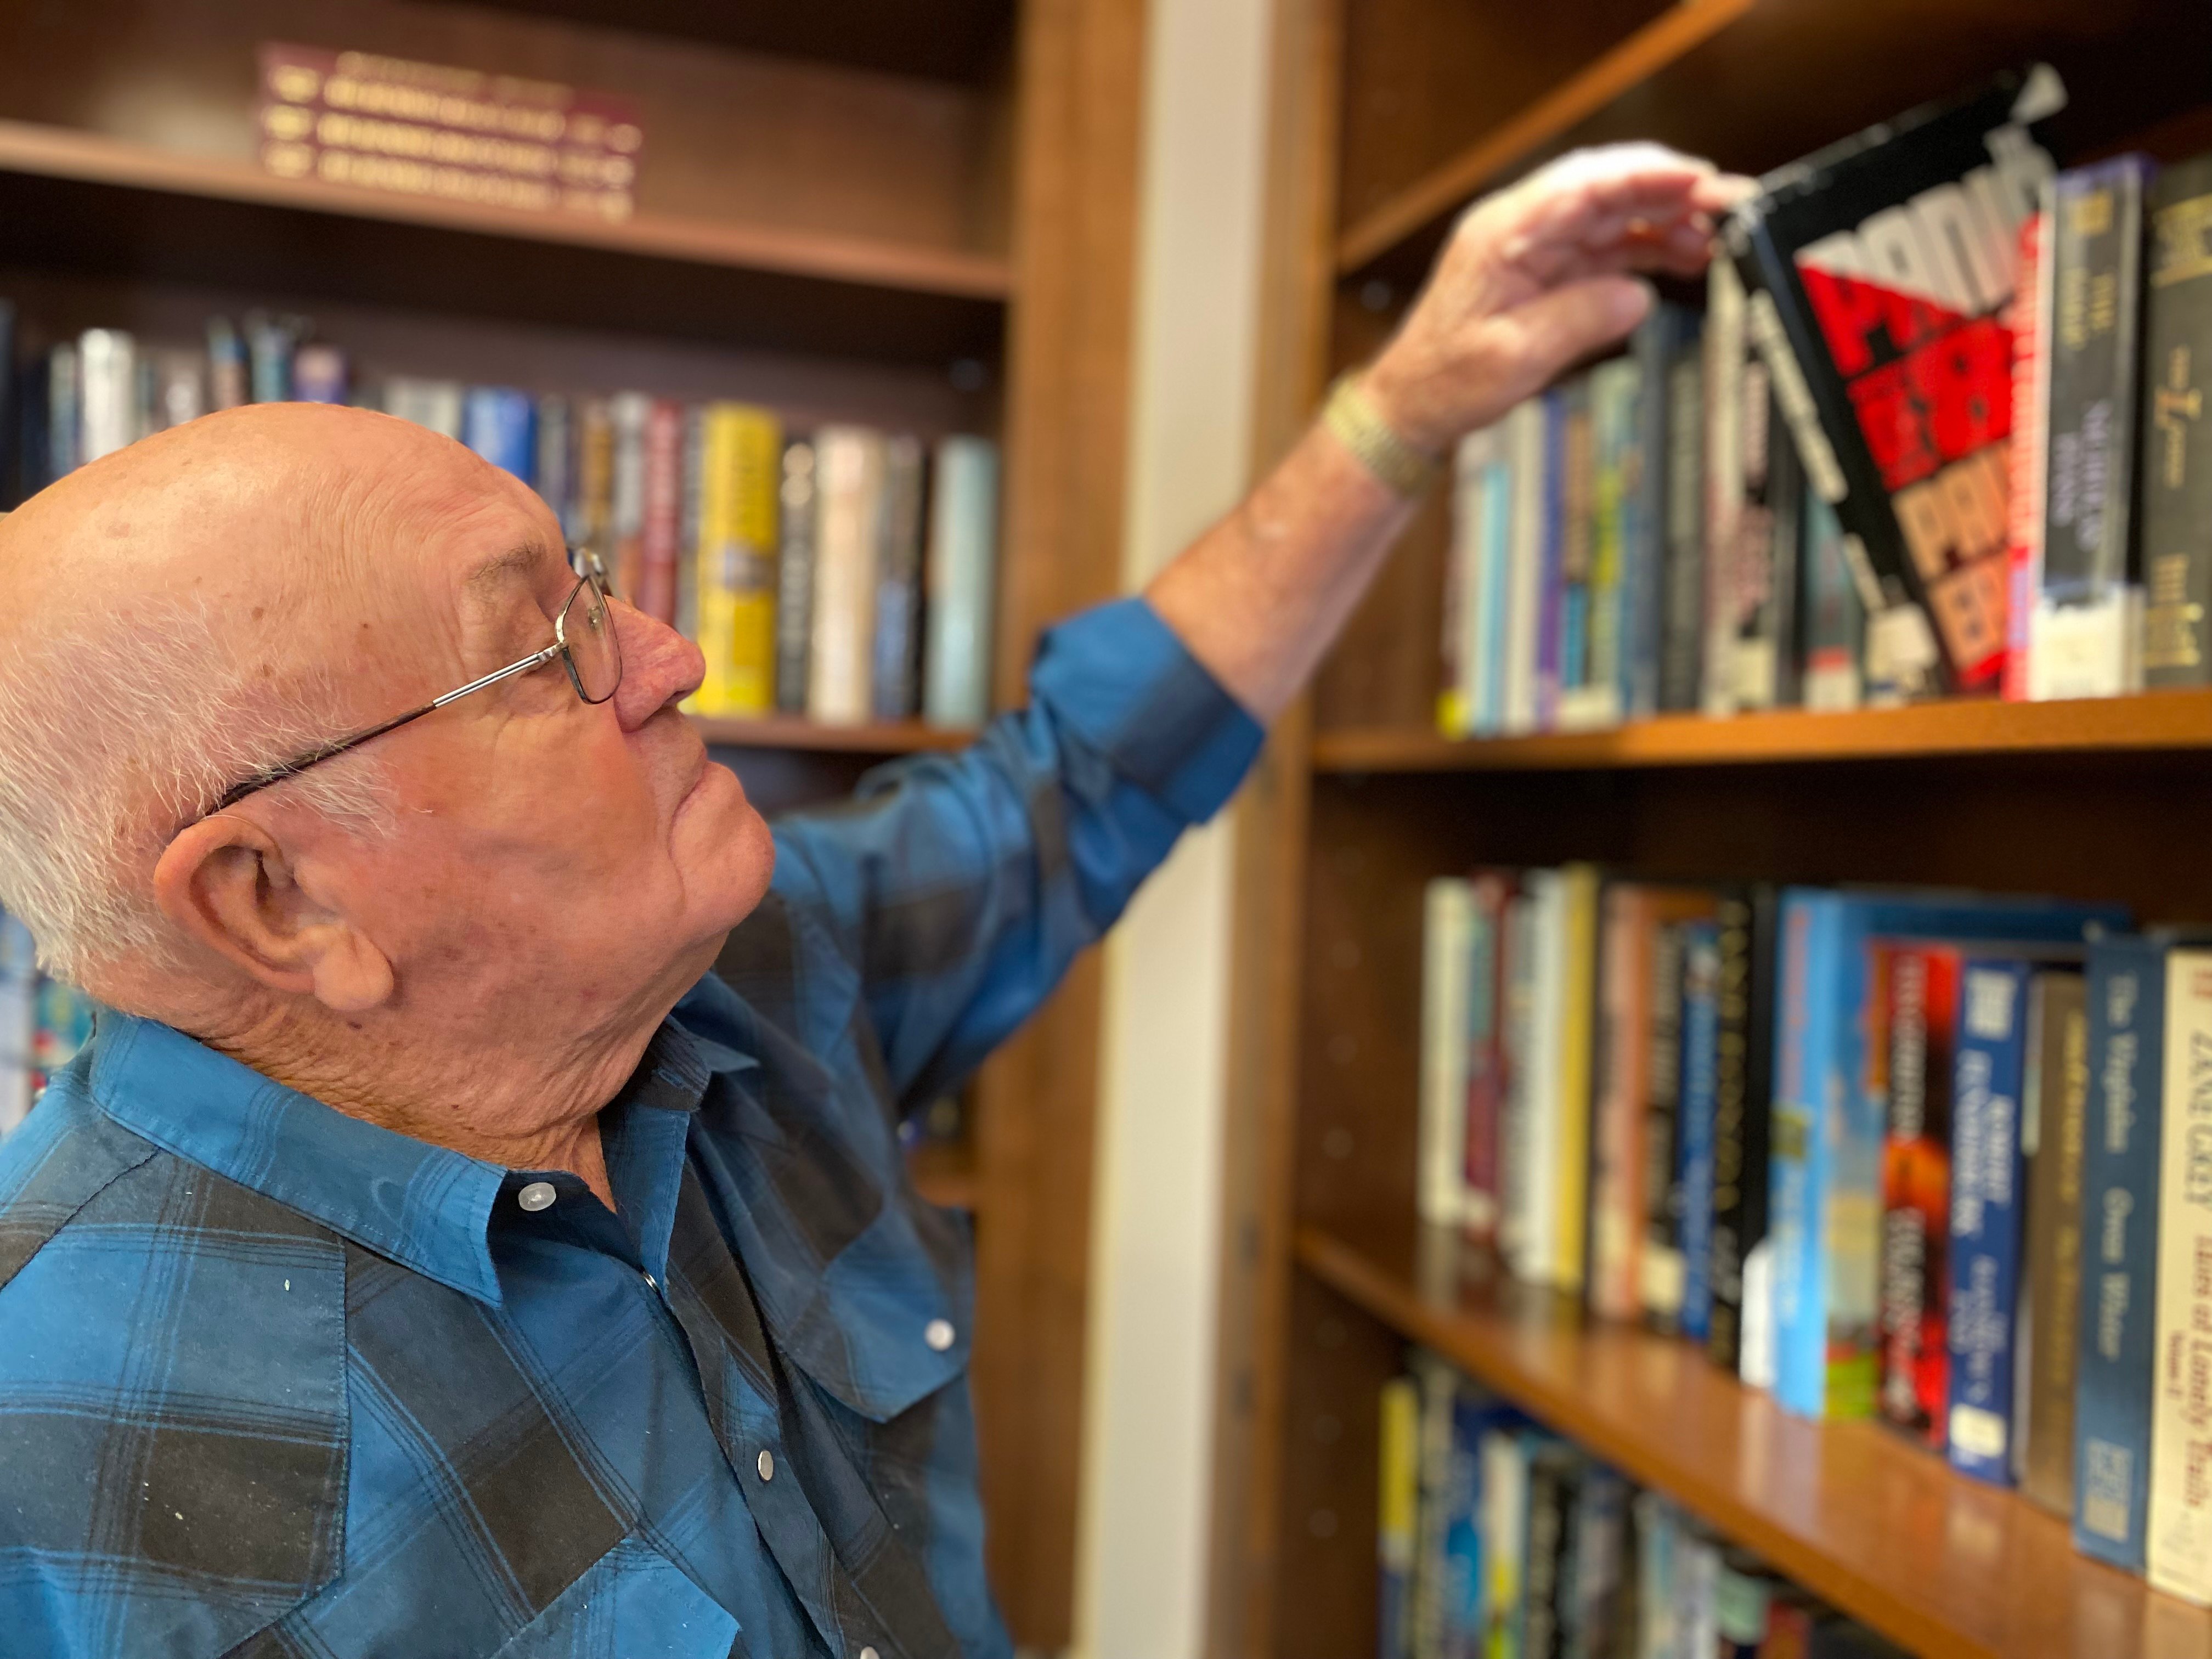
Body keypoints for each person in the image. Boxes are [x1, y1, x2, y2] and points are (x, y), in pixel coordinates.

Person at [0, 144, 1745, 1658]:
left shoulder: (751, 965)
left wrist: (1405, 406)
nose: (675, 660)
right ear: (279, 902)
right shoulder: (48, 1448)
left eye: (594, 587)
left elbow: (1077, 778)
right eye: (544, 652)